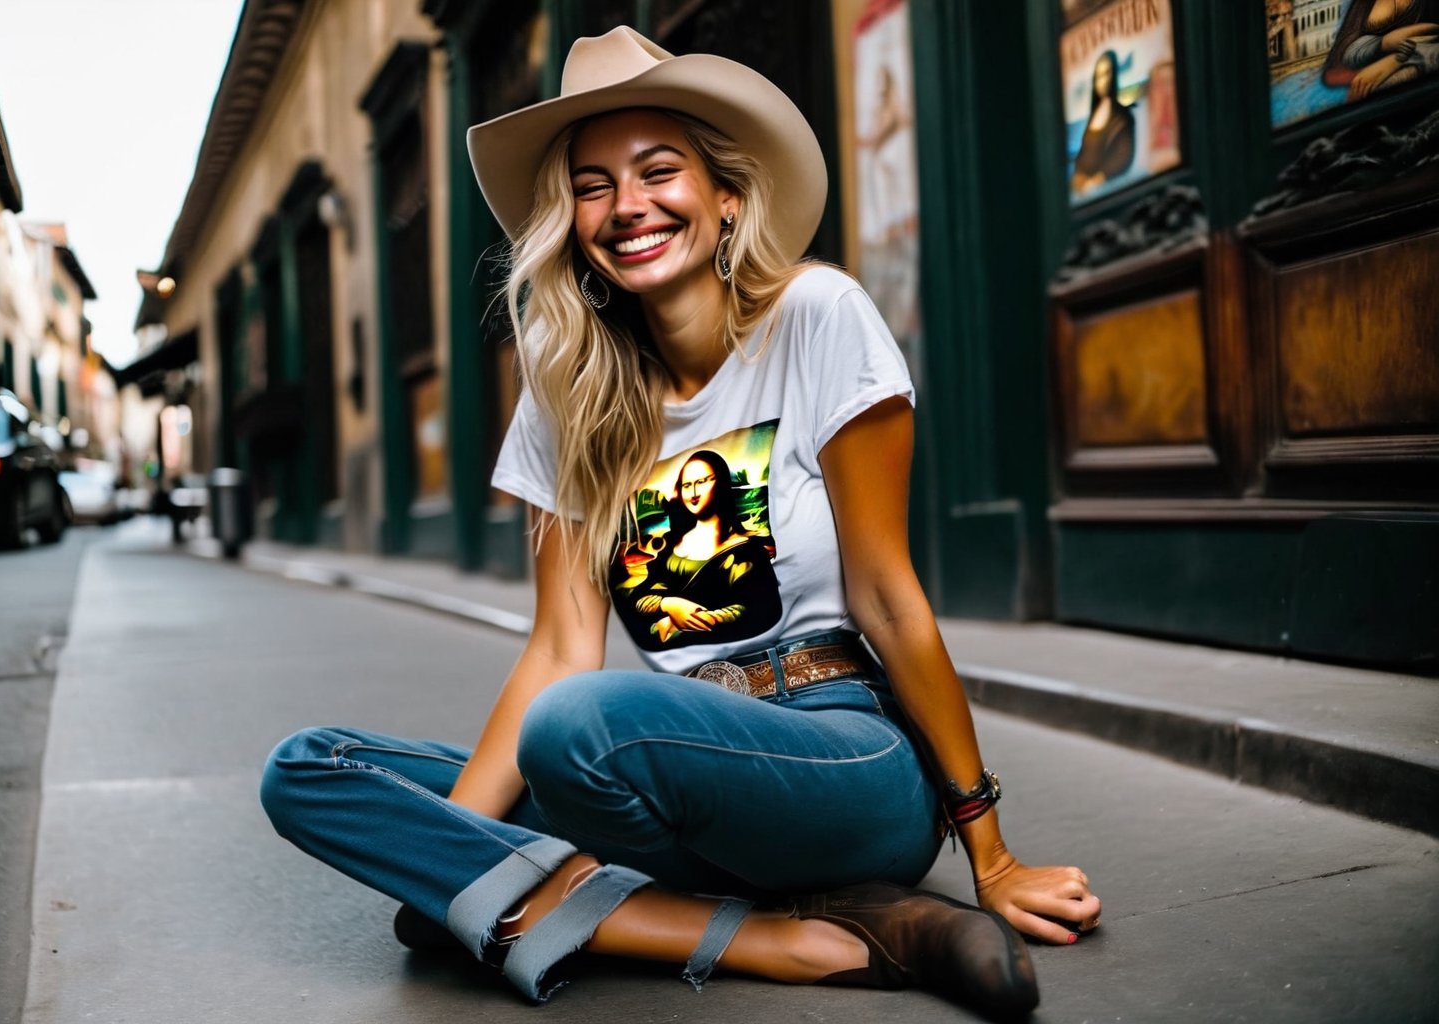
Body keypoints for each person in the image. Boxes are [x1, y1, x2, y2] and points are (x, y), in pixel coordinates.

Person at [260, 26, 1099, 1017]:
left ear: (727, 193)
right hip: (657, 769)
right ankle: (771, 933)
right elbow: (558, 649)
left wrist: (989, 851)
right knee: (313, 769)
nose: (628, 207)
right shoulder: (565, 387)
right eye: (592, 185)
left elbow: (888, 595)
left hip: (843, 751)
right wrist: (442, 850)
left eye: (660, 170)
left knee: (573, 729)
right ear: (570, 221)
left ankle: (530, 899)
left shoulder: (817, 316)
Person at [611, 447, 781, 649]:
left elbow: (758, 610)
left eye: (701, 482)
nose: (693, 493)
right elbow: (639, 598)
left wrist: (678, 624)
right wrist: (670, 605)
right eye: (686, 485)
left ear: (721, 482)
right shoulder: (671, 548)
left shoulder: (747, 550)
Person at [1070, 49, 1135, 196]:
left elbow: (1123, 157)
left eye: (1106, 74)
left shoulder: (1123, 117)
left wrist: (1096, 180)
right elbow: (1085, 151)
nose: (1102, 81)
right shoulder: (1094, 114)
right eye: (1099, 76)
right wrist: (1078, 174)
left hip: (1107, 190)